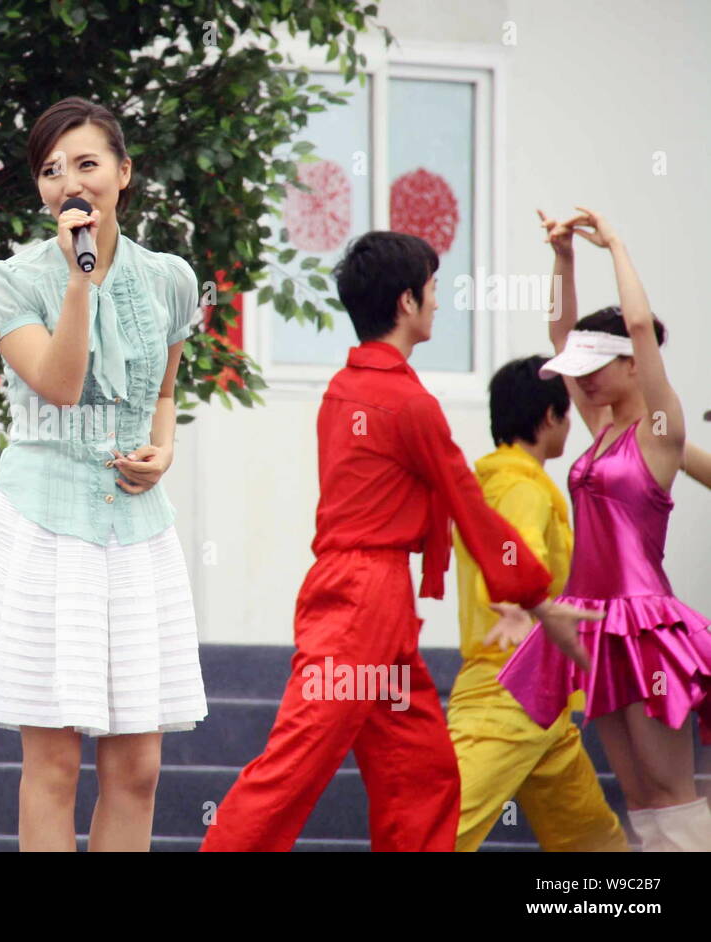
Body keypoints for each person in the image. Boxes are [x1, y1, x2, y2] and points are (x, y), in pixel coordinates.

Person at [199, 230, 602, 852]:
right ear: (407, 302)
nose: (439, 302)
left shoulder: (348, 388)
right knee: (297, 763)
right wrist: (536, 598)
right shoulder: (405, 400)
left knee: (423, 775)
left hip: (369, 599)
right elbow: (468, 504)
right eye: (434, 290)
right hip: (363, 603)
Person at [0, 97, 208, 852]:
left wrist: (165, 451)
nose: (68, 182)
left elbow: (162, 392)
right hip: (45, 523)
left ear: (123, 173)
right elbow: (58, 384)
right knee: (53, 763)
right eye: (51, 171)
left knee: (140, 765)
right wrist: (78, 279)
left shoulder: (172, 279)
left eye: (86, 164)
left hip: (138, 532)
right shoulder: (12, 280)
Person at [498, 208, 711, 852]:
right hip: (596, 622)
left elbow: (640, 324)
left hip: (644, 625)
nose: (584, 378)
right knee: (640, 796)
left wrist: (614, 242)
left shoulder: (659, 432)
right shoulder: (602, 431)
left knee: (672, 793)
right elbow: (561, 334)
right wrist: (562, 257)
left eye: (599, 364)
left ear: (630, 365)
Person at [447, 355, 628, 852]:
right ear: (549, 418)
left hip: (540, 699)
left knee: (592, 842)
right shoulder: (522, 489)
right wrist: (516, 604)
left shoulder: (489, 484)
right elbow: (516, 562)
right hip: (509, 694)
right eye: (567, 415)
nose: (570, 425)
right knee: (439, 831)